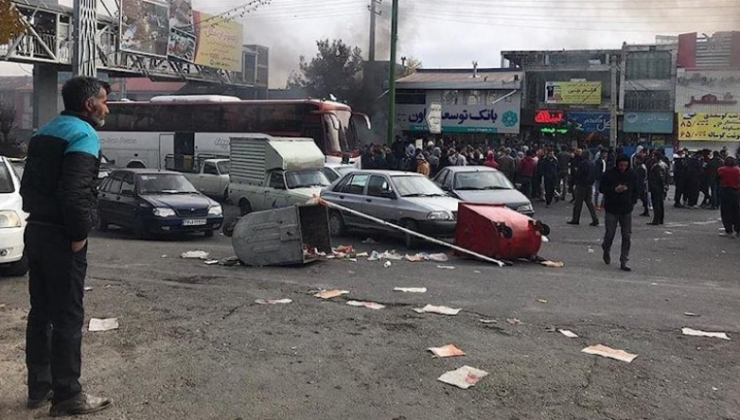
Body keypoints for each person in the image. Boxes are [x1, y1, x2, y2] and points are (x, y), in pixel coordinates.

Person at [20, 77, 113, 416]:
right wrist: (79, 232)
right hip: (62, 236)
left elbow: (29, 187)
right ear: (89, 104)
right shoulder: (84, 134)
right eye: (103, 100)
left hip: (36, 231)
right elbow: (75, 192)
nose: (107, 107)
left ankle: (39, 388)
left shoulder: (45, 131)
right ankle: (68, 395)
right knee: (68, 316)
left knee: (40, 312)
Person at [600, 154, 639, 272]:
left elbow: (637, 189)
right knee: (610, 233)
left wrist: (633, 201)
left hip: (626, 209)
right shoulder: (609, 174)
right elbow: (601, 188)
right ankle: (606, 248)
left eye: (625, 165)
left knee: (626, 235)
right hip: (612, 208)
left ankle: (624, 260)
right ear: (617, 164)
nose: (623, 168)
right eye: (621, 165)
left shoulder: (632, 174)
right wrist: (614, 190)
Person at [567, 150, 599, 226]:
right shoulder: (592, 164)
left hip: (581, 184)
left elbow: (579, 174)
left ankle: (576, 219)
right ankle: (595, 219)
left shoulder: (582, 163)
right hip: (589, 185)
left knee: (578, 203)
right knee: (589, 203)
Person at [717, 156, 740, 237]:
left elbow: (718, 178)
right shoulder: (737, 170)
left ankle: (728, 230)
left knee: (726, 211)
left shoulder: (721, 169)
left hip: (725, 190)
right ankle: (738, 229)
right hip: (736, 191)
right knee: (736, 210)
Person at [647, 150, 669, 225]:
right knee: (660, 203)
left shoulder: (657, 166)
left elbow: (660, 177)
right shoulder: (664, 165)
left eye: (654, 156)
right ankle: (660, 219)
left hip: (656, 187)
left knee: (656, 204)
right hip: (661, 187)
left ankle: (656, 220)